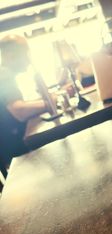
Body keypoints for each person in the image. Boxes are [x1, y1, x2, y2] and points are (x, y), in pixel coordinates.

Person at [0, 35, 54, 166]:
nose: (28, 61)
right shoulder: (4, 74)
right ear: (10, 55)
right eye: (25, 54)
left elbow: (15, 106)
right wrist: (48, 104)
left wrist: (42, 101)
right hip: (13, 149)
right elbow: (19, 111)